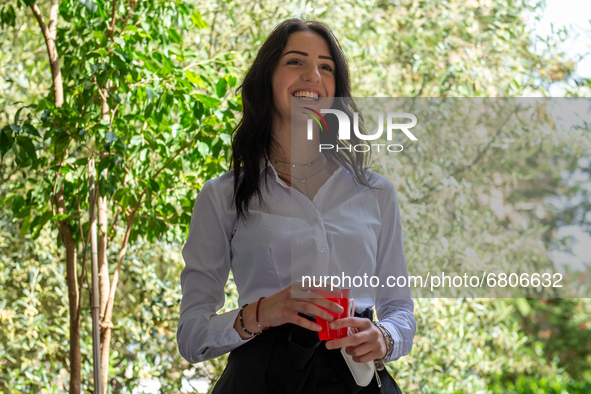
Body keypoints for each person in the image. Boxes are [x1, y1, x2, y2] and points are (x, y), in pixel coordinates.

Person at [177, 18, 416, 393]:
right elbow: (192, 337)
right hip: (262, 381)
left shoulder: (376, 193)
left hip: (356, 382)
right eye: (295, 62)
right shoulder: (222, 196)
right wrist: (263, 312)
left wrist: (385, 337)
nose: (312, 76)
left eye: (326, 67)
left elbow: (400, 308)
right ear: (267, 78)